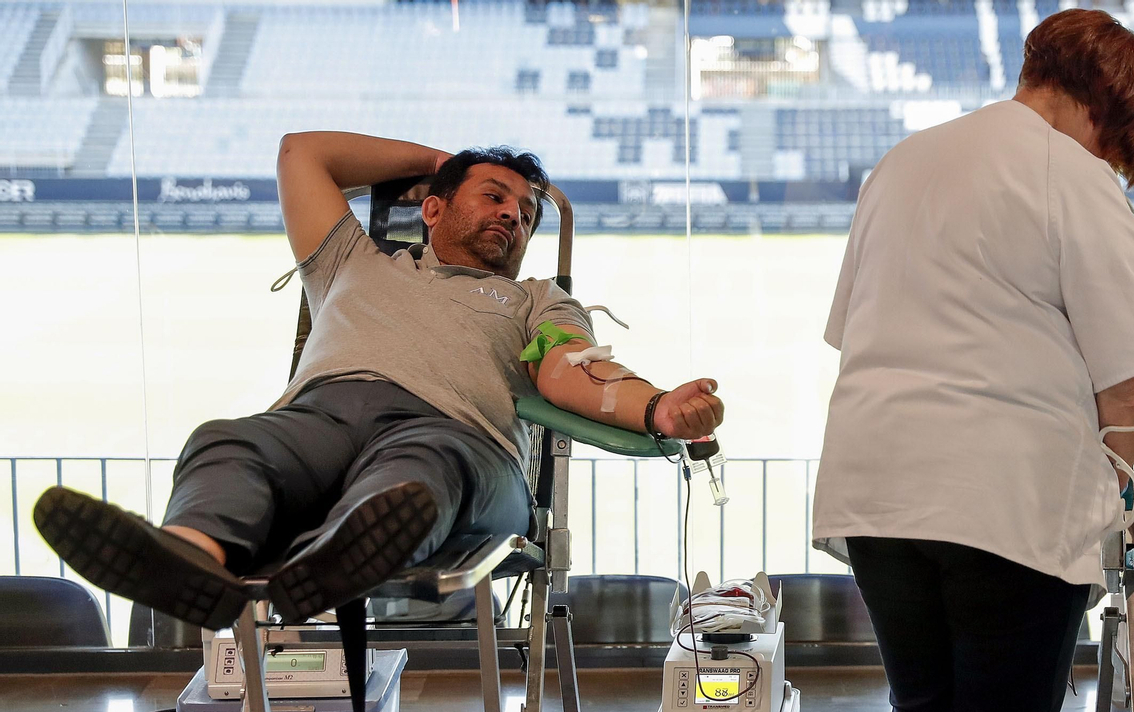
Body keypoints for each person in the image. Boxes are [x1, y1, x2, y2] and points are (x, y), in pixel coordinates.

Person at [811, 11, 1134, 712]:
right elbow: (1129, 392)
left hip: (876, 481)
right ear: (1113, 118)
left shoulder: (905, 161)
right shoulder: (1078, 179)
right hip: (1005, 493)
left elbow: (853, 328)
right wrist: (1116, 485)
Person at [36, 132, 724, 628]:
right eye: (493, 195)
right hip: (321, 419)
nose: (514, 214)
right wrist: (438, 161)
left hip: (458, 437)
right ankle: (190, 560)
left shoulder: (536, 299)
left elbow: (574, 371)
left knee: (417, 470)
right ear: (433, 208)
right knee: (229, 440)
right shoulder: (351, 261)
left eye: (526, 211)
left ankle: (325, 558)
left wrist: (661, 408)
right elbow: (301, 152)